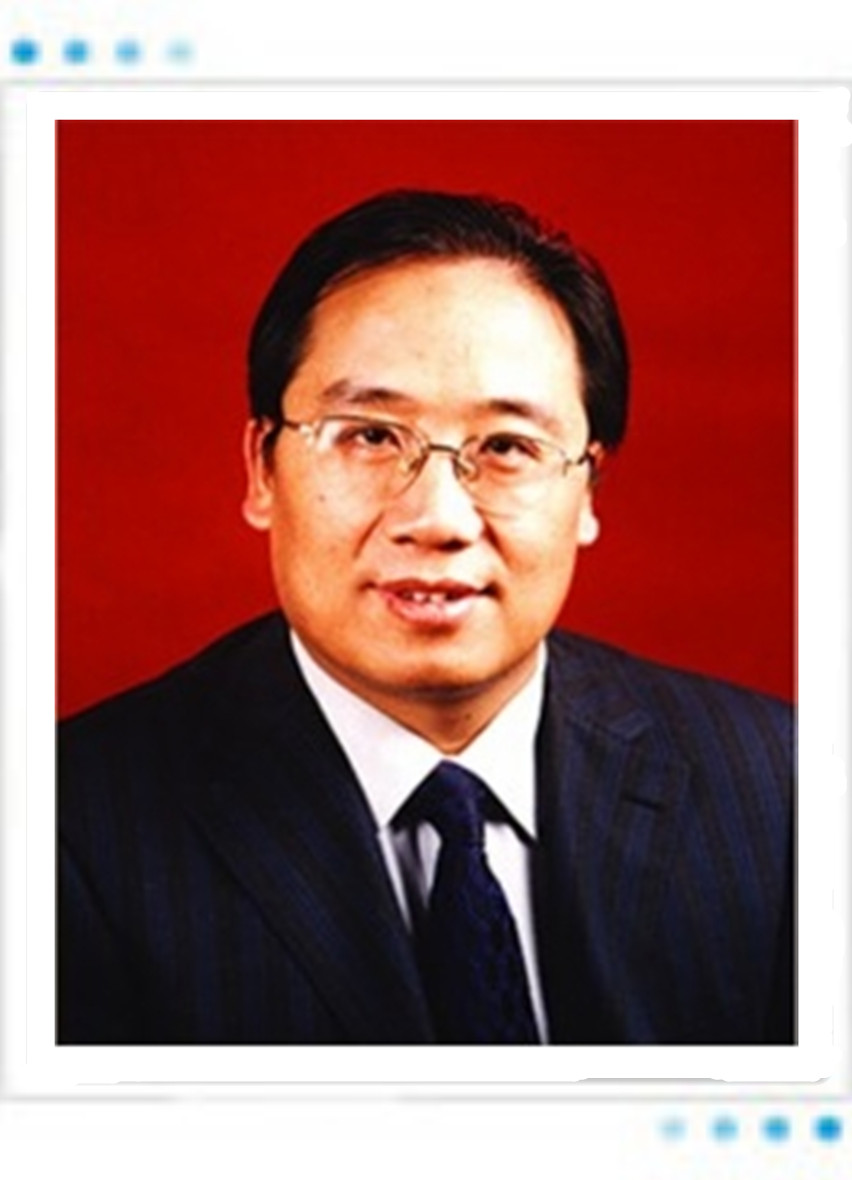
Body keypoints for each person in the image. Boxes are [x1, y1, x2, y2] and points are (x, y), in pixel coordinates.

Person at [58, 189, 794, 1046]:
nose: (438, 518)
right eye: (370, 436)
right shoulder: (63, 832)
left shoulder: (781, 790)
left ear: (588, 492)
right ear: (262, 470)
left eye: (507, 447)